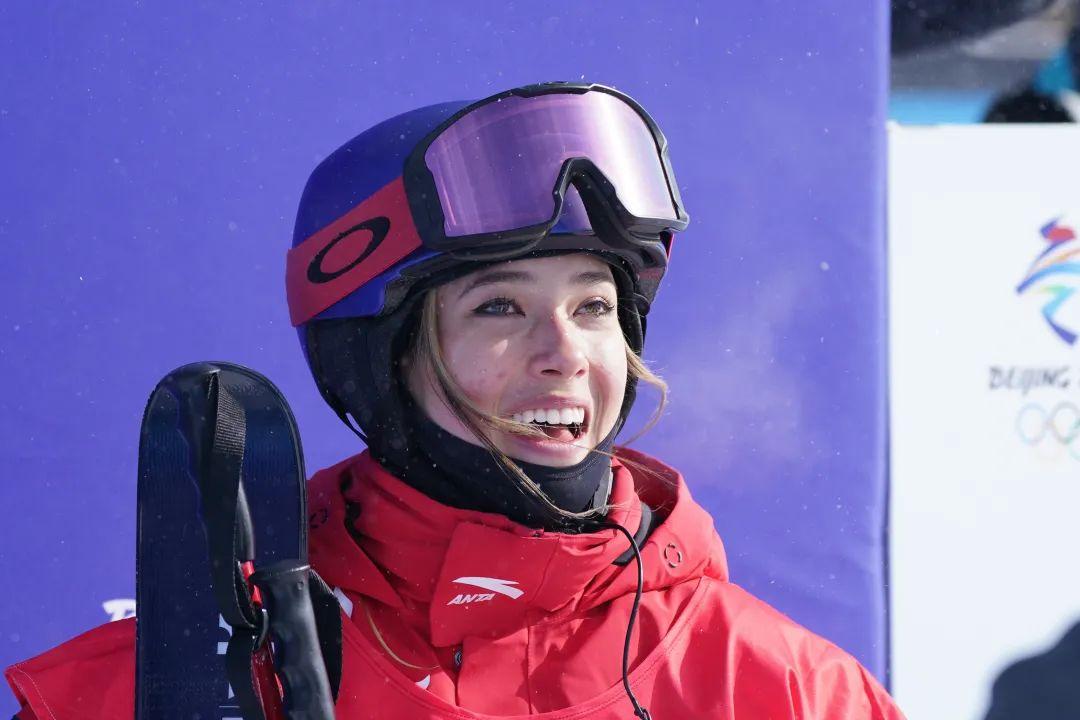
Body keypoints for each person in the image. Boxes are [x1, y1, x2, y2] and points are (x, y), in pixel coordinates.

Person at [4, 82, 904, 719]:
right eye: (499, 307)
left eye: (593, 307)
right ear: (384, 357)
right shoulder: (201, 672)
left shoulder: (787, 689)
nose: (566, 354)